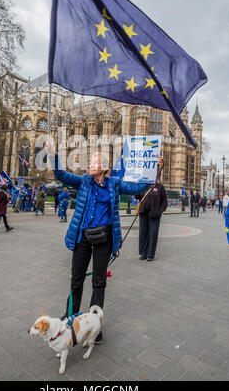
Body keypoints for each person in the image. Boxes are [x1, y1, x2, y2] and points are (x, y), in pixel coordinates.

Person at [45, 141, 163, 344]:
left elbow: (140, 186)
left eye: (95, 161)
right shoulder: (83, 181)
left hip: (103, 239)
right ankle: (70, 319)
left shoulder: (114, 183)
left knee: (99, 282)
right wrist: (54, 156)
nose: (91, 163)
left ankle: (94, 326)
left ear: (105, 168)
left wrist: (156, 169)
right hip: (82, 237)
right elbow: (62, 176)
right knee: (76, 280)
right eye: (90, 161)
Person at [135, 183, 167, 261]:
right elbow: (137, 196)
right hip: (143, 213)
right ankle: (143, 253)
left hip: (154, 215)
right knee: (143, 234)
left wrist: (159, 211)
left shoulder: (160, 187)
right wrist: (136, 188)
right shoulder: (143, 185)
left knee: (152, 234)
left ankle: (150, 254)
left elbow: (164, 202)